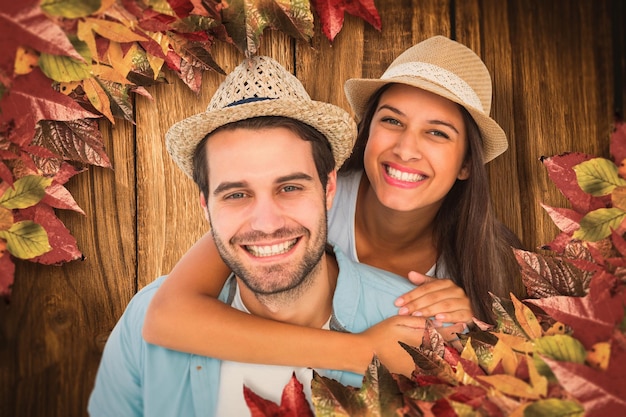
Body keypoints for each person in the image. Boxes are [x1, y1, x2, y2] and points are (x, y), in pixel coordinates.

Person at [141, 36, 526, 374]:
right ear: (368, 130)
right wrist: (362, 351)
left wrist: (465, 327)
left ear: (466, 164)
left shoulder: (485, 261)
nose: (406, 149)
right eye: (392, 121)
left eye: (437, 133)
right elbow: (167, 317)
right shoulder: (298, 195)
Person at [88, 55, 437, 417]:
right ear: (205, 206)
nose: (267, 223)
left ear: (329, 188)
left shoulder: (416, 329)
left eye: (289, 187)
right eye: (236, 194)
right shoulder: (144, 321)